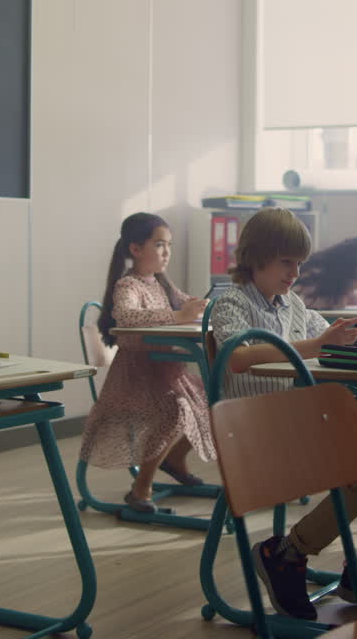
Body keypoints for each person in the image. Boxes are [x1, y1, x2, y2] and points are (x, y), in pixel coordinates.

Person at [208, 207, 357, 617]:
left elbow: (329, 338)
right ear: (257, 256)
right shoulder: (230, 302)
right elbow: (237, 357)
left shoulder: (291, 304)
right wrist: (314, 346)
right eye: (286, 262)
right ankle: (287, 554)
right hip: (254, 430)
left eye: (300, 263)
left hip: (300, 420)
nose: (295, 272)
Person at [80, 212, 213, 513]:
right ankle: (141, 489)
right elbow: (126, 316)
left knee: (214, 395)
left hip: (164, 371)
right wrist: (179, 316)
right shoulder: (128, 286)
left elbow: (186, 302)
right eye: (160, 244)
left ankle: (174, 459)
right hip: (135, 377)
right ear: (136, 249)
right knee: (174, 409)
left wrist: (201, 306)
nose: (167, 252)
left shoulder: (161, 284)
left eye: (169, 245)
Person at [292, 236, 357, 310]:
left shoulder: (340, 283)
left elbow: (353, 294)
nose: (351, 291)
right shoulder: (311, 278)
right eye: (352, 287)